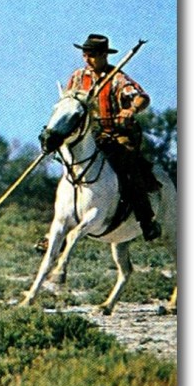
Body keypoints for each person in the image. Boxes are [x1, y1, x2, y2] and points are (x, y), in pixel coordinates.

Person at [63, 33, 161, 240]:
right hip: (88, 134)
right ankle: (59, 225)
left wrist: (130, 110)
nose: (87, 59)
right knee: (69, 168)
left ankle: (146, 219)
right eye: (84, 54)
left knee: (127, 165)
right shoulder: (78, 77)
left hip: (117, 134)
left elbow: (141, 98)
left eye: (91, 55)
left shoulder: (116, 77)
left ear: (103, 56)